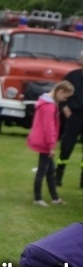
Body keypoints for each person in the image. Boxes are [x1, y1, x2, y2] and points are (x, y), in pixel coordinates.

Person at [28, 80, 74, 206]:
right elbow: (49, 128)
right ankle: (38, 198)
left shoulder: (46, 102)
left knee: (50, 170)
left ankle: (55, 197)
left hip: (42, 140)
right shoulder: (49, 106)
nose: (64, 100)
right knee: (42, 170)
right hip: (45, 143)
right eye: (65, 97)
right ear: (60, 91)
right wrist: (52, 146)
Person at [56, 51, 83, 187]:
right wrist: (64, 107)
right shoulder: (72, 76)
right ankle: (59, 174)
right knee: (67, 145)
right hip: (74, 115)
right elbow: (60, 91)